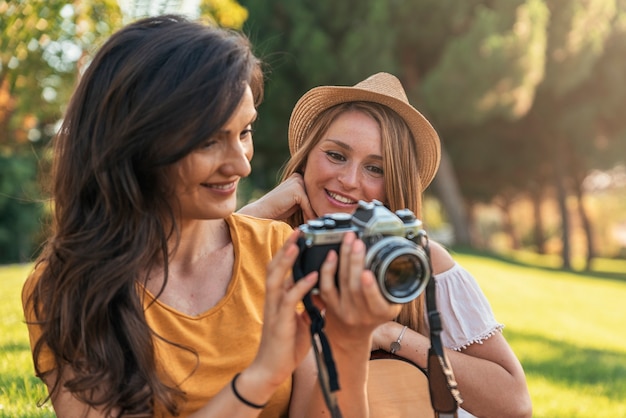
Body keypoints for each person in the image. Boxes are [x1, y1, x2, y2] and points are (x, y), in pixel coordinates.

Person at [21, 16, 401, 418]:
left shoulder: (279, 250)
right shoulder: (67, 289)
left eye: (244, 132)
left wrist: (349, 345)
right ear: (133, 142)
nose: (241, 165)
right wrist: (259, 379)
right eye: (208, 140)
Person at [239, 72, 533, 418]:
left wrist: (390, 334)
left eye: (375, 168)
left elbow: (514, 404)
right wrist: (254, 216)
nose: (349, 181)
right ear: (305, 158)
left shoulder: (417, 260)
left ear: (395, 182)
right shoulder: (262, 240)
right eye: (336, 155)